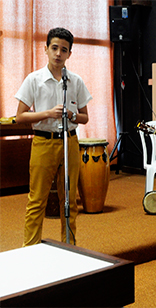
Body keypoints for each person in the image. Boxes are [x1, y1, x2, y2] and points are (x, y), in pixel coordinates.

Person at [15, 27, 91, 246]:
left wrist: (72, 115)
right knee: (37, 199)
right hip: (43, 142)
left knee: (69, 200)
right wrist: (48, 113)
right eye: (54, 48)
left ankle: (69, 246)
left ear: (70, 53)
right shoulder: (34, 79)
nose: (59, 53)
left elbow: (85, 118)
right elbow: (20, 116)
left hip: (70, 141)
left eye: (64, 50)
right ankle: (30, 248)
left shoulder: (75, 81)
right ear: (46, 49)